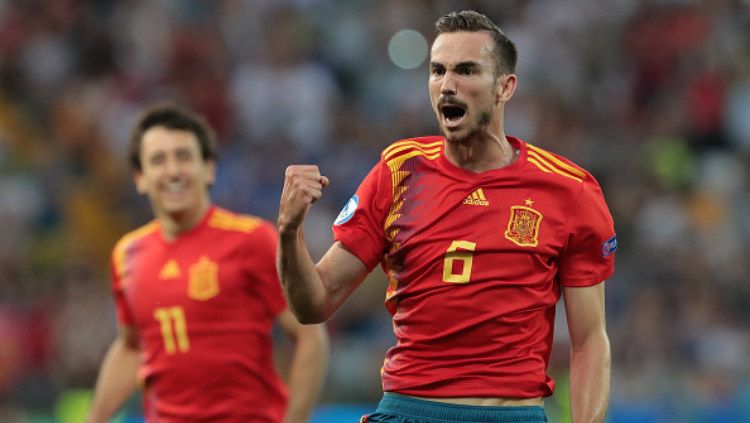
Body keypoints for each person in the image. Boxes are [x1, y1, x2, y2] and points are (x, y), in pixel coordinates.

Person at [277, 10, 615, 423]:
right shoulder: (399, 170)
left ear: (504, 87)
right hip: (408, 410)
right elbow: (314, 302)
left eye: (466, 71)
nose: (448, 85)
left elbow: (589, 340)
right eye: (438, 71)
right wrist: (289, 231)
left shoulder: (568, 190)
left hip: (510, 415)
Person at [86, 102, 328, 423]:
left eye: (184, 157)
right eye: (158, 160)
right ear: (140, 178)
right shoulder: (127, 254)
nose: (173, 171)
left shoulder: (252, 239)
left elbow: (310, 337)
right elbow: (132, 347)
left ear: (209, 168)